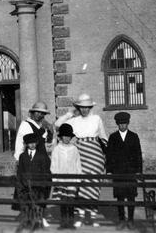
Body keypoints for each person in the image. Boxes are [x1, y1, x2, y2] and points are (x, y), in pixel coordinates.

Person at [54, 93, 107, 228]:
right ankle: (82, 216)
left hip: (95, 155)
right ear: (78, 107)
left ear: (91, 107)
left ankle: (93, 216)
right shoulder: (74, 121)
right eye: (81, 107)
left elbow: (103, 137)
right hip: (79, 154)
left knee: (94, 185)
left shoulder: (97, 119)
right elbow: (57, 124)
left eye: (87, 107)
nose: (84, 110)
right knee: (81, 185)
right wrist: (69, 113)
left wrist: (106, 158)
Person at [105, 112, 143, 230]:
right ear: (117, 124)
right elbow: (109, 155)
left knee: (131, 197)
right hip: (118, 172)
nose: (122, 126)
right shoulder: (113, 137)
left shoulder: (134, 136)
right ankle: (121, 220)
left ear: (128, 123)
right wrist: (109, 171)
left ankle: (130, 220)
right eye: (120, 124)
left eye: (124, 124)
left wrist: (139, 171)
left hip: (131, 171)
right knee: (120, 197)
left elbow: (138, 154)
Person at [14, 133, 52, 229]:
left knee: (38, 203)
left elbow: (45, 171)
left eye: (34, 143)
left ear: (37, 143)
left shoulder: (42, 156)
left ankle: (39, 220)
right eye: (30, 143)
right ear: (26, 144)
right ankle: (28, 221)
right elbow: (20, 171)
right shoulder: (23, 156)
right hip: (26, 185)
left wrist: (44, 183)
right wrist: (20, 184)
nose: (32, 145)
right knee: (27, 204)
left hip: (38, 184)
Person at [51, 123, 81, 230]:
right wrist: (55, 179)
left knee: (71, 202)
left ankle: (71, 222)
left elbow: (78, 165)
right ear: (60, 137)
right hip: (61, 179)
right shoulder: (57, 150)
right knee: (63, 202)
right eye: (64, 136)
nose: (67, 138)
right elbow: (53, 165)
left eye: (68, 136)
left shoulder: (74, 149)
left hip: (72, 179)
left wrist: (78, 179)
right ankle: (63, 222)